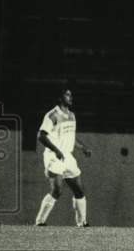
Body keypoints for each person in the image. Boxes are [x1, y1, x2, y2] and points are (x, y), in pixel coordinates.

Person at [34, 88, 93, 227]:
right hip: (53, 156)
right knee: (57, 190)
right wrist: (56, 150)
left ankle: (82, 222)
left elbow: (71, 137)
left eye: (71, 95)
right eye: (67, 95)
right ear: (60, 98)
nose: (70, 97)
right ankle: (40, 221)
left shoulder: (72, 115)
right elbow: (41, 136)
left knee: (79, 190)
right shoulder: (52, 115)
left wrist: (83, 148)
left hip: (67, 156)